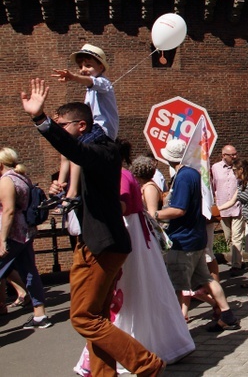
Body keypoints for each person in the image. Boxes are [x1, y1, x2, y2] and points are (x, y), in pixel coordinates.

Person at [20, 79, 164, 375]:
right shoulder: (93, 150)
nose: (60, 130)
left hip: (102, 245)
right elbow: (78, 166)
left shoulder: (102, 150)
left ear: (81, 126)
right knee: (96, 316)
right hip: (98, 242)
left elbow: (77, 152)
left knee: (83, 317)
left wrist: (41, 120)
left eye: (63, 125)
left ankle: (148, 365)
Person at [74, 143, 194, 375]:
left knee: (124, 296)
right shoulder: (124, 174)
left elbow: (119, 206)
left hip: (127, 235)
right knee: (142, 293)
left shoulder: (119, 175)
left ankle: (136, 353)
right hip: (135, 236)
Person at [158, 138, 239, 331]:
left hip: (183, 239)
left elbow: (179, 209)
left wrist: (153, 214)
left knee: (177, 285)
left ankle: (177, 330)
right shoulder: (193, 174)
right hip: (196, 236)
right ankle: (227, 314)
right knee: (207, 280)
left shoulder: (184, 176)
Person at [52, 44, 120, 214]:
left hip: (102, 131)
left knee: (77, 151)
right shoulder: (90, 91)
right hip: (93, 129)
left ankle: (73, 193)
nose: (83, 69)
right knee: (66, 153)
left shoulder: (103, 83)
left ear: (101, 67)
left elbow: (91, 81)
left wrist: (72, 77)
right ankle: (60, 190)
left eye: (88, 65)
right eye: (81, 66)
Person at [0, 147, 52, 329]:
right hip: (26, 232)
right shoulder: (22, 177)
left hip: (13, 233)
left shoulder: (6, 181)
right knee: (30, 272)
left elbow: (8, 210)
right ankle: (40, 315)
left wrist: (2, 239)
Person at [217, 159, 248, 288]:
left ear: (241, 170)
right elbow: (232, 201)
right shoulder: (241, 184)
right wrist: (216, 209)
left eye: (235, 170)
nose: (233, 173)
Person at [211, 145, 243, 276]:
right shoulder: (215, 168)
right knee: (228, 237)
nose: (235, 157)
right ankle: (236, 258)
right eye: (232, 155)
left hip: (237, 206)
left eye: (235, 154)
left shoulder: (239, 167)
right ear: (223, 155)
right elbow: (212, 186)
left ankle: (237, 264)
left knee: (237, 237)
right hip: (223, 208)